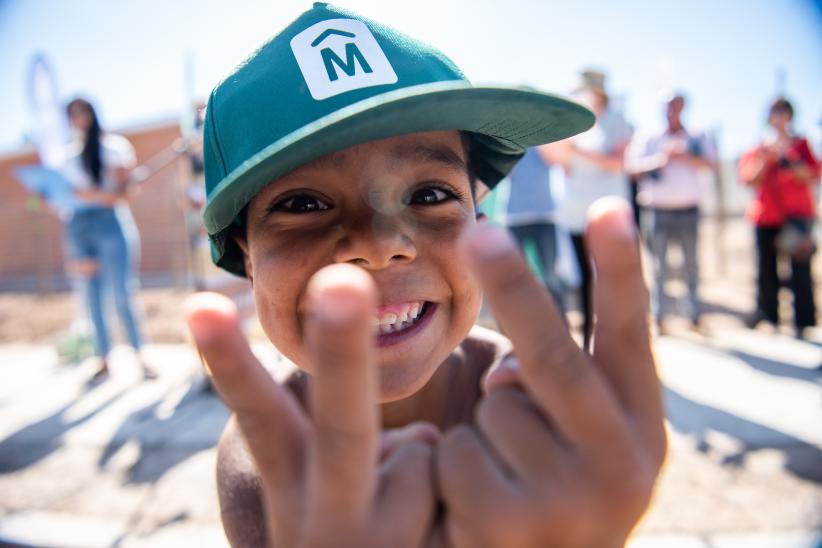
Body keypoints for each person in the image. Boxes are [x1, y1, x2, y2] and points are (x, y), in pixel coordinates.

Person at [183, 4, 666, 547]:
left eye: (430, 194)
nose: (379, 245)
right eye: (302, 203)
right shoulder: (262, 462)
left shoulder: (545, 413)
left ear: (479, 228)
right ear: (245, 255)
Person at [61, 98, 155, 380]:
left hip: (110, 223)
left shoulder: (113, 147)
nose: (77, 118)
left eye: (81, 112)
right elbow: (65, 197)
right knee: (91, 295)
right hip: (78, 226)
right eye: (71, 114)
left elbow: (124, 192)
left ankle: (141, 356)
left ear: (92, 114)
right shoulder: (67, 155)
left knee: (121, 292)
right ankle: (102, 358)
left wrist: (92, 195)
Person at [547, 69, 633, 350]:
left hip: (608, 214)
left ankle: (620, 342)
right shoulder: (578, 122)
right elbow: (562, 163)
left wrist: (579, 152)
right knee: (585, 280)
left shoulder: (617, 120)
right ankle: (588, 341)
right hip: (576, 213)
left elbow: (619, 162)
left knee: (612, 276)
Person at [627, 93, 717, 332]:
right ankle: (659, 317)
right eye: (668, 106)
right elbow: (632, 168)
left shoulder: (697, 135)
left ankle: (694, 316)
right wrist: (662, 159)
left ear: (684, 107)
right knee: (658, 267)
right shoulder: (648, 137)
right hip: (657, 210)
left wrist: (685, 156)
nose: (672, 111)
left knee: (691, 264)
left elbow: (711, 164)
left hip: (689, 209)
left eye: (676, 106)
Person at [739, 98, 820, 339]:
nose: (778, 117)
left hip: (797, 217)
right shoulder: (759, 147)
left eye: (783, 112)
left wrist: (790, 157)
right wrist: (766, 159)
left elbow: (812, 175)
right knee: (766, 270)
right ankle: (769, 318)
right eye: (774, 112)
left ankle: (804, 322)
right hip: (765, 217)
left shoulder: (801, 145)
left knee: (801, 270)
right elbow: (749, 180)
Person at [503, 147, 566, 310]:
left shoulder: (545, 141)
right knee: (515, 277)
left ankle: (561, 325)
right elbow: (504, 173)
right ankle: (518, 323)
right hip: (515, 217)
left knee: (551, 275)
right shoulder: (510, 143)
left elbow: (557, 161)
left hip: (545, 216)